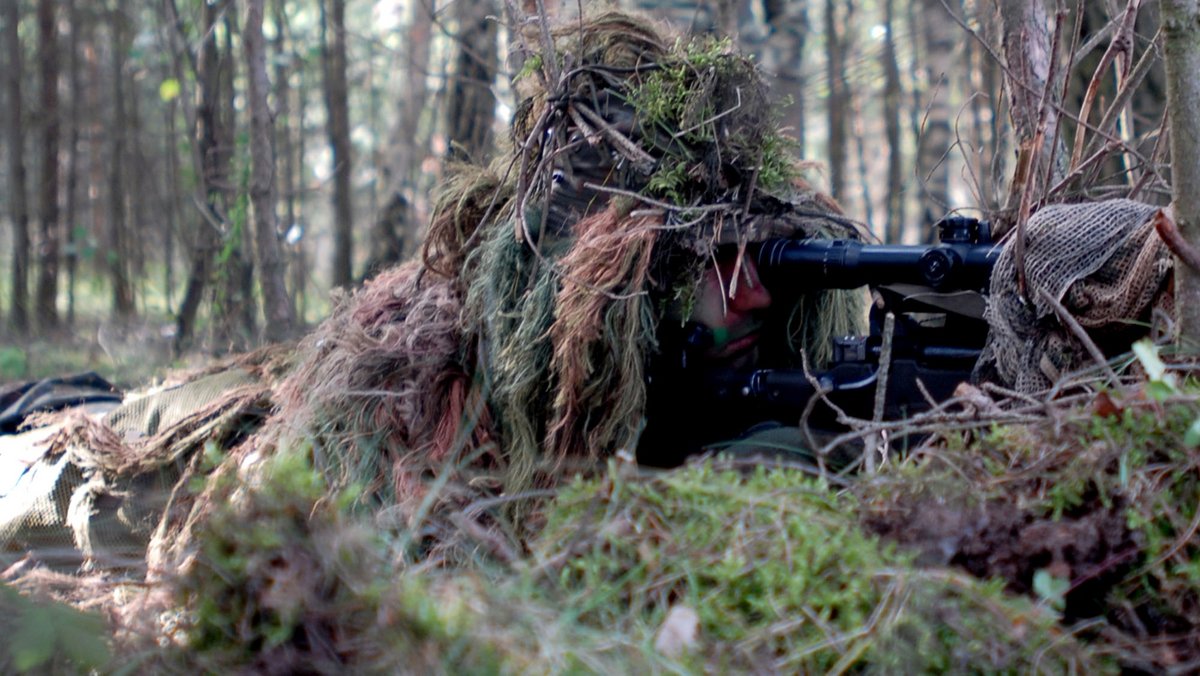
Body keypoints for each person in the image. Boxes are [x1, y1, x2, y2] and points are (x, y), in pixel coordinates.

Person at [0, 10, 864, 571]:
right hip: (294, 411)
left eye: (765, 262)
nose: (753, 297)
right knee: (99, 458)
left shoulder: (750, 365)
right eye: (713, 265)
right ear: (595, 291)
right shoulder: (483, 374)